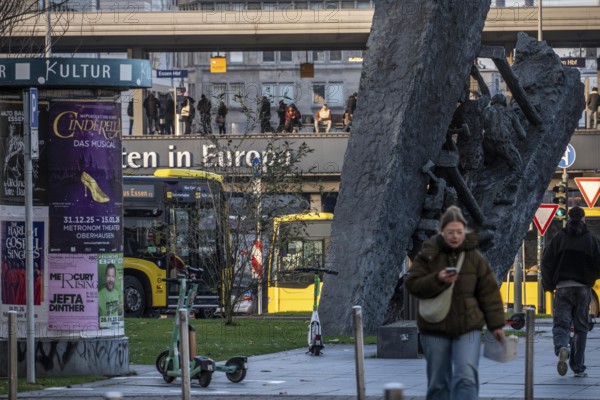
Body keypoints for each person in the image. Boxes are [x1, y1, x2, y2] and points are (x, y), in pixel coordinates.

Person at [405, 205, 505, 400]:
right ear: (442, 232)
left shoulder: (474, 257)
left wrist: (496, 325)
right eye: (450, 232)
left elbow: (489, 291)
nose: (455, 236)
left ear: (464, 231)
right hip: (435, 326)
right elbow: (412, 284)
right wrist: (438, 279)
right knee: (438, 382)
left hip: (468, 326)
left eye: (459, 232)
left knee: (466, 376)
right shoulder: (429, 253)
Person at [541, 206, 600, 378]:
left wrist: (549, 285)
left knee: (561, 324)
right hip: (583, 288)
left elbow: (546, 263)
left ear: (568, 218)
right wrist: (590, 278)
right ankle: (578, 367)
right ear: (583, 219)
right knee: (581, 327)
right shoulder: (591, 239)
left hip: (562, 287)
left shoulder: (558, 238)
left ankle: (562, 347)